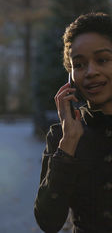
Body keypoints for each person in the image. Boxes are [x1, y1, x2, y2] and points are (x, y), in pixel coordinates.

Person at [34, 12, 112, 232]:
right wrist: (68, 143)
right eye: (78, 64)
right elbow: (48, 222)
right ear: (70, 76)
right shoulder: (62, 136)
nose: (91, 72)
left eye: (102, 60)